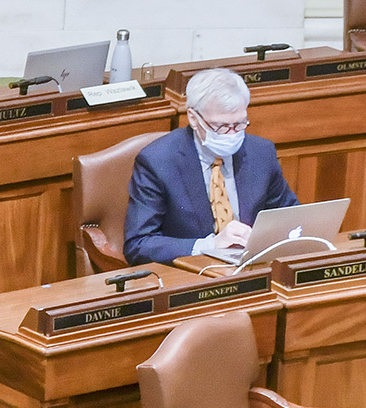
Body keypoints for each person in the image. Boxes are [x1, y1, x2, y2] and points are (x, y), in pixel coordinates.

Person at [124, 68, 298, 265]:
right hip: (191, 274)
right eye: (221, 127)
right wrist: (209, 245)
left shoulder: (260, 152)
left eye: (239, 125)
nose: (232, 134)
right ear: (194, 119)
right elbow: (138, 245)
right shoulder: (158, 161)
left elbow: (291, 217)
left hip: (252, 266)